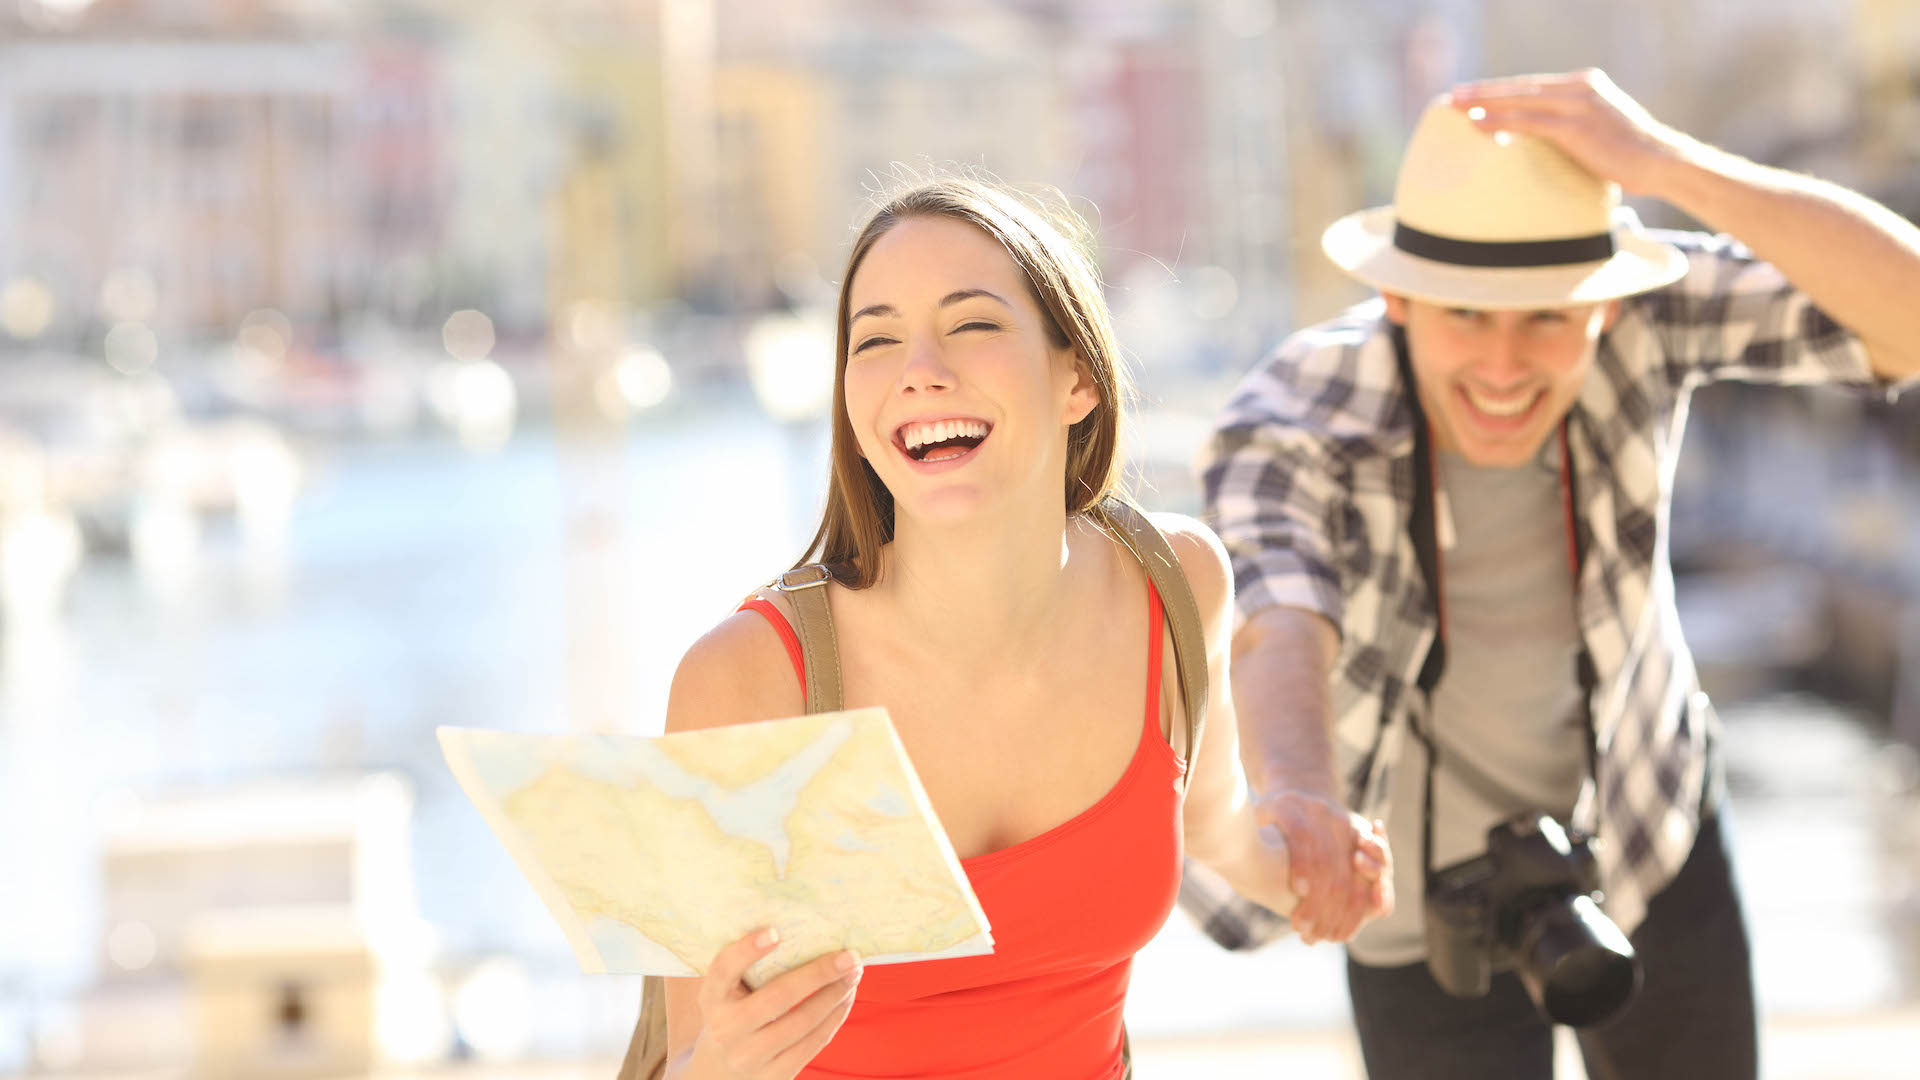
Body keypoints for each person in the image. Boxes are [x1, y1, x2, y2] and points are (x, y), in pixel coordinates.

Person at [1183, 69, 1919, 1080]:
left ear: (1606, 308)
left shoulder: (1645, 316)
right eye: (1463, 316)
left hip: (1646, 825)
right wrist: (1303, 797)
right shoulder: (1292, 415)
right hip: (1414, 893)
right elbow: (1277, 619)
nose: (1502, 366)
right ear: (1395, 295)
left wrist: (1668, 165)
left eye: (1545, 318)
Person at [656, 176, 1390, 1080]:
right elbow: (680, 1052)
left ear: (1076, 375)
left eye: (970, 324)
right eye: (875, 339)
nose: (920, 370)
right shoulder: (746, 681)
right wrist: (718, 1064)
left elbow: (1221, 834)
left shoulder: (1176, 587)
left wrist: (1324, 862)